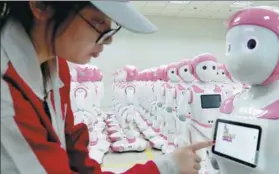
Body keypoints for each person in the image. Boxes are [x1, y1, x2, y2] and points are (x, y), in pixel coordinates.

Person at [0, 1, 214, 174]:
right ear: (42, 6)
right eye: (97, 22)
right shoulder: (5, 95)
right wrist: (165, 168)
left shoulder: (56, 68)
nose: (108, 39)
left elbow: (73, 150)